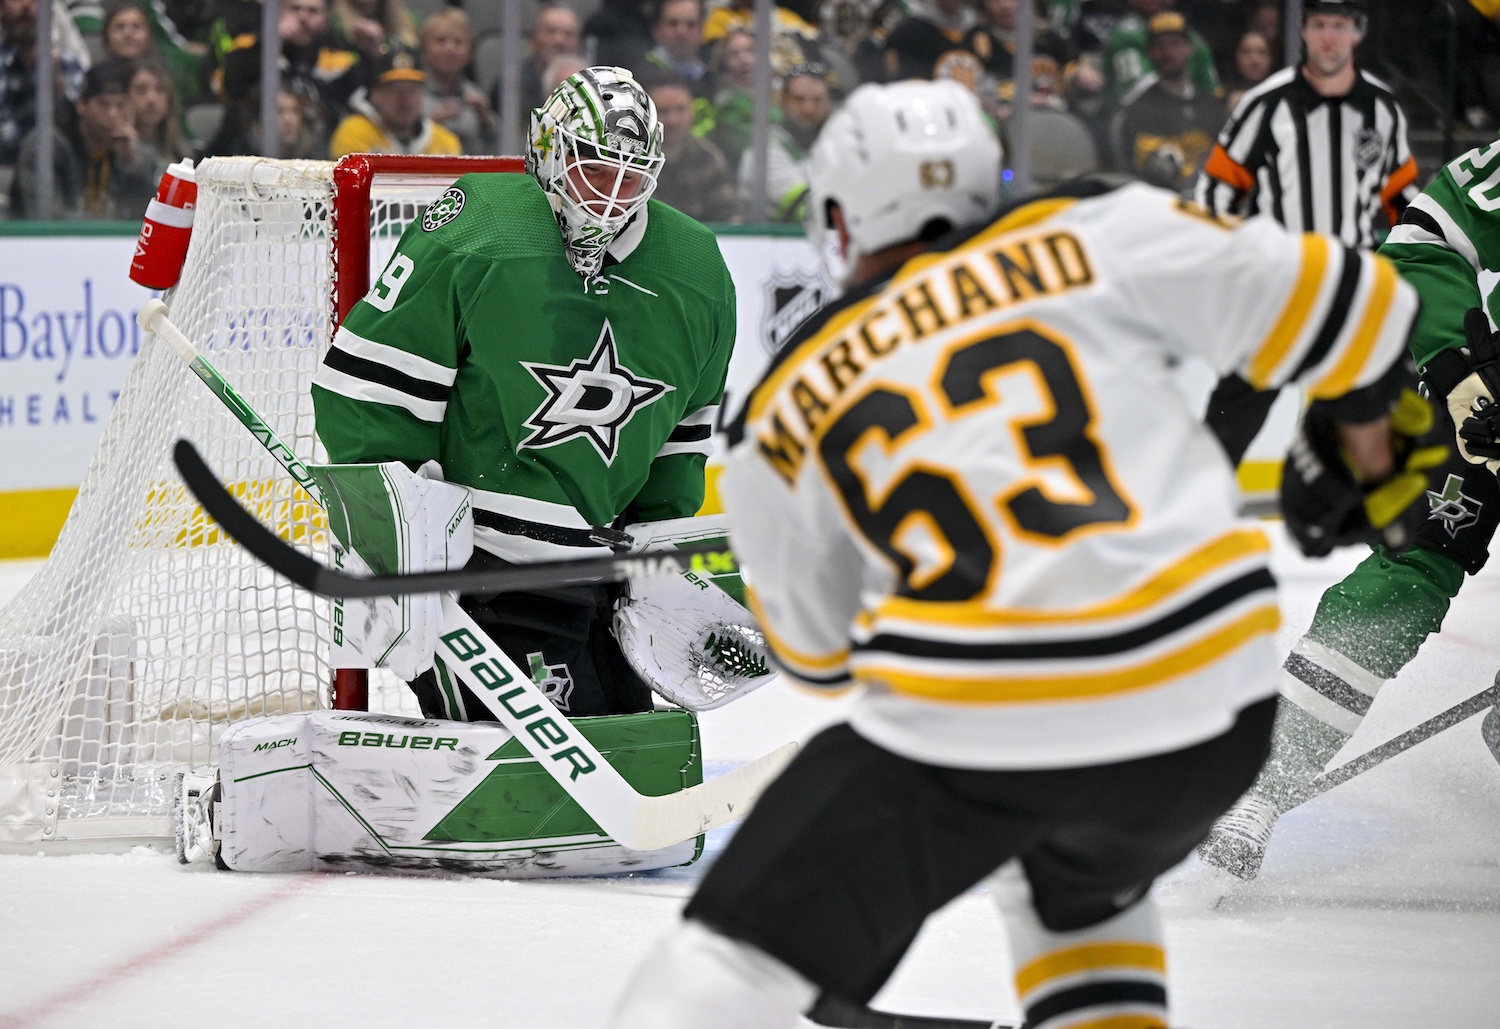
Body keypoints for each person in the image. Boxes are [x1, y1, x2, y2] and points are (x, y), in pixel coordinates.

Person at [609, 77, 1443, 1029]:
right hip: (1211, 702)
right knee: (1078, 889)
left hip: (993, 716)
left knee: (721, 964)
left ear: (843, 217)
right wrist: (1365, 431)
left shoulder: (786, 400)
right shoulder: (1092, 224)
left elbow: (820, 655)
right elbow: (1364, 300)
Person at [310, 66, 735, 723]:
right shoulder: (481, 229)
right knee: (554, 775)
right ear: (549, 149)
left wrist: (657, 549)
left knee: (633, 751)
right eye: (595, 167)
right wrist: (401, 537)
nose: (611, 195)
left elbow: (684, 430)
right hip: (482, 571)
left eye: (631, 175)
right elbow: (367, 389)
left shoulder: (697, 268)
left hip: (601, 576)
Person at [1196, 139, 1500, 880]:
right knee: (1413, 564)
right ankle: (1260, 788)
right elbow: (1424, 244)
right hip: (1486, 404)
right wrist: (1458, 366)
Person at [1194, 0, 1420, 469]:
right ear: (1304, 33)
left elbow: (1402, 198)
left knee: (1370, 412)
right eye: (1319, 25)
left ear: (1357, 33)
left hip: (1354, 282)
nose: (1329, 37)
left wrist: (1414, 268)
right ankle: (1198, 496)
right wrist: (1222, 263)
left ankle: (1371, 513)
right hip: (1280, 279)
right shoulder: (1268, 102)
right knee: (1235, 411)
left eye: (1339, 26)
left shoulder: (1382, 108)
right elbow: (1217, 187)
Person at [13, 57, 162, 218]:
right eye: (103, 104)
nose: (113, 114)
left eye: (120, 105)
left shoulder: (137, 154)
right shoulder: (46, 147)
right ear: (81, 105)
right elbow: (46, 216)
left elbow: (149, 217)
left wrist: (131, 164)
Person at [1110, 11, 1223, 193]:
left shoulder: (1211, 105)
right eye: (1159, 46)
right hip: (1158, 206)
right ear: (1150, 52)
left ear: (1190, 48)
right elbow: (1145, 168)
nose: (1167, 52)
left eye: (1175, 44)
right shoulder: (1137, 109)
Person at [737, 61, 831, 222]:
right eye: (799, 99)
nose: (808, 108)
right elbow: (805, 210)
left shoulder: (830, 146)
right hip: (769, 243)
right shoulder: (764, 151)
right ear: (782, 100)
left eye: (817, 100)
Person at [329, 44, 462, 157]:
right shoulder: (354, 133)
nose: (404, 99)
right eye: (394, 90)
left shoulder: (445, 142)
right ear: (376, 93)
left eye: (412, 90)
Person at [1, 0, 90, 164]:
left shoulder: (67, 66)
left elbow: (83, 134)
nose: (26, 5)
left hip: (58, 173)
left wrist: (57, 85)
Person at [647, 75, 738, 222]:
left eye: (680, 110)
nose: (672, 120)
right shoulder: (632, 158)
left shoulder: (708, 158)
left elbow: (728, 214)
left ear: (692, 111)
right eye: (662, 111)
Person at [1103, 0, 1220, 105]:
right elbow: (1136, 95)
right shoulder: (1127, 36)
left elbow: (1212, 92)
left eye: (1174, 43)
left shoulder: (1194, 40)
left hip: (1190, 116)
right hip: (1135, 118)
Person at [420, 8, 493, 155]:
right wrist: (430, 123)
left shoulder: (475, 95)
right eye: (440, 41)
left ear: (470, 52)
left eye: (458, 42)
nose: (450, 48)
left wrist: (486, 120)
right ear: (424, 48)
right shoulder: (413, 93)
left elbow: (500, 149)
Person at [643, 0, 711, 97]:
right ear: (657, 29)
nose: (681, 32)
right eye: (673, 23)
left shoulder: (712, 75)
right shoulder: (642, 73)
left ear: (702, 31)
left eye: (690, 24)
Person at [129, 55, 190, 164]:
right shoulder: (118, 151)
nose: (151, 99)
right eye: (141, 90)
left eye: (160, 90)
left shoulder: (181, 152)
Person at [1224, 28, 1273, 113]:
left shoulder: (1283, 95)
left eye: (1261, 52)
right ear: (1236, 57)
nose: (1255, 60)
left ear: (1270, 59)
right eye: (1246, 52)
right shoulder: (1222, 97)